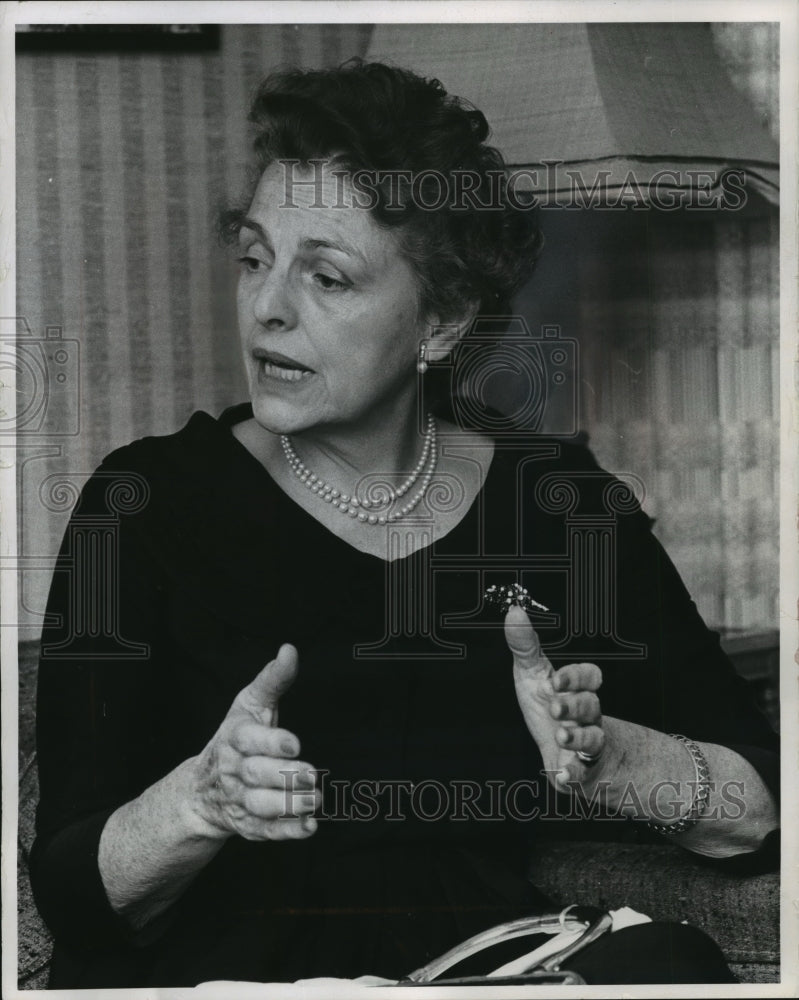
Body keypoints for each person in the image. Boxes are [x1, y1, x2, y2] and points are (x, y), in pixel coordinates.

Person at [30, 60, 779, 988]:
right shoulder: (144, 504)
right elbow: (69, 890)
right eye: (255, 259)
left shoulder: (558, 508)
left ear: (441, 321)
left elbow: (759, 809)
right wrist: (201, 800)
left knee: (671, 965)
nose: (266, 308)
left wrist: (610, 756)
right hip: (222, 981)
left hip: (473, 972)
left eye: (327, 278)